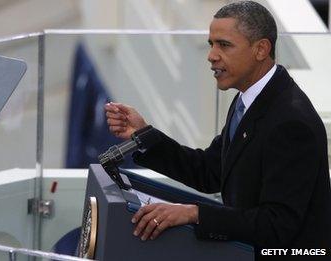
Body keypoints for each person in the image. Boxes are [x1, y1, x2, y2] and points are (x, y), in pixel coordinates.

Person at [105, 1, 331, 259]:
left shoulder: (291, 122)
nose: (211, 55)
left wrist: (194, 213)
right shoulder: (248, 100)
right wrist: (142, 135)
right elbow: (210, 171)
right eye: (211, 44)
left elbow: (276, 225)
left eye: (224, 45)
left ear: (260, 49)